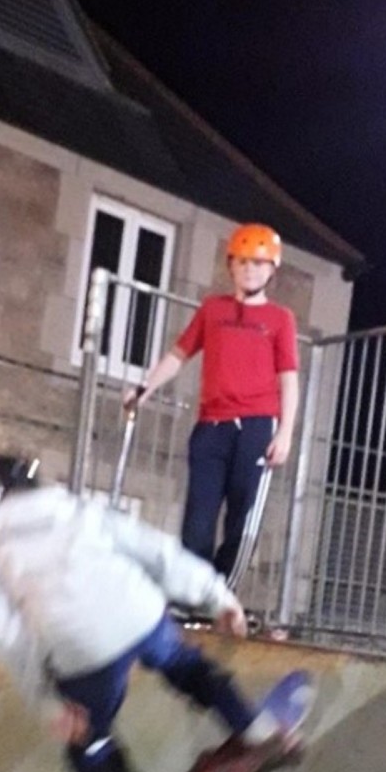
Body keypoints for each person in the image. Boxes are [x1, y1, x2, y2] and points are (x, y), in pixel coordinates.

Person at [0, 454, 284, 772]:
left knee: (90, 744)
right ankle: (255, 727)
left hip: (80, 648)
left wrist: (48, 704)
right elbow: (154, 551)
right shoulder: (75, 508)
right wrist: (217, 597)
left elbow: (8, 640)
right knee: (184, 664)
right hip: (138, 613)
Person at [128, 223, 299, 581]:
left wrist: (284, 433)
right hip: (212, 427)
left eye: (258, 262)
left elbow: (289, 379)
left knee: (242, 518)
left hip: (255, 426)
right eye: (242, 262)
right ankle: (193, 591)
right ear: (231, 266)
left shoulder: (280, 319)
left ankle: (220, 594)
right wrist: (145, 389)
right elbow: (178, 356)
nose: (250, 269)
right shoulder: (212, 309)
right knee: (198, 519)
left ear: (271, 269)